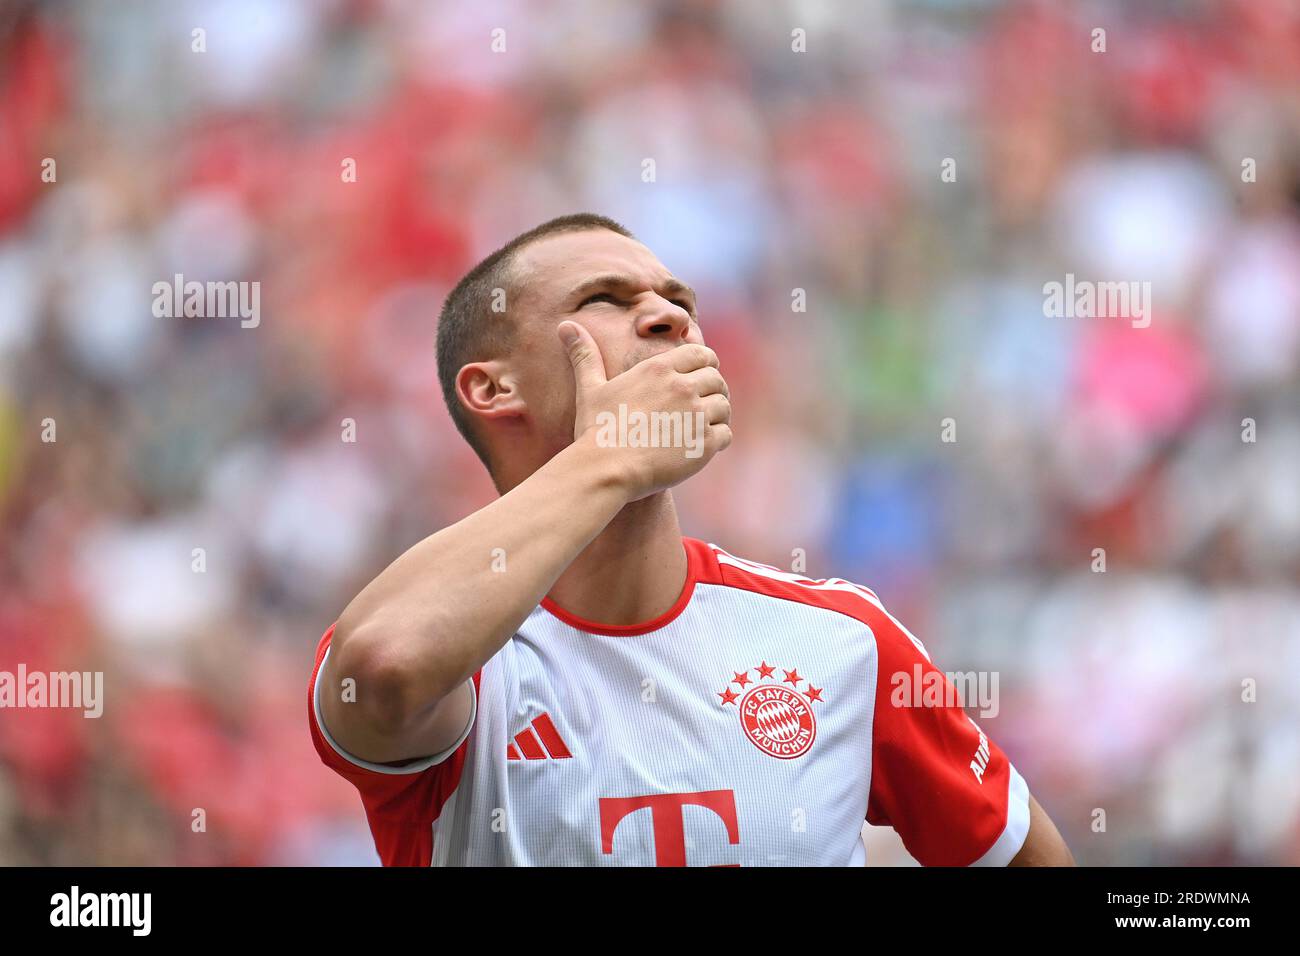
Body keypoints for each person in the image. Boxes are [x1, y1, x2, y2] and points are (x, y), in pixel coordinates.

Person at [307, 213, 1075, 866]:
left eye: (678, 301)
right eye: (605, 299)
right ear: (493, 387)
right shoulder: (465, 664)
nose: (669, 317)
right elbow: (383, 668)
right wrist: (608, 459)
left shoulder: (843, 640)